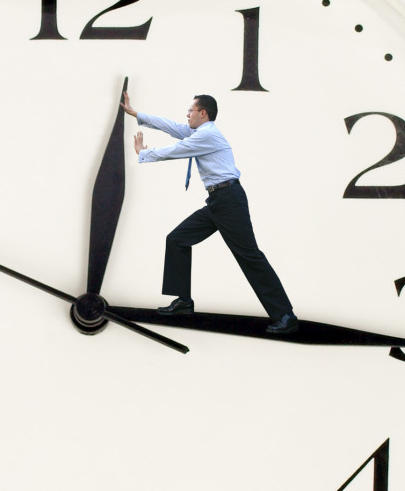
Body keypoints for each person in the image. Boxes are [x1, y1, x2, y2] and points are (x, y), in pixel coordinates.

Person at [121, 92, 298, 334]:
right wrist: (137, 114)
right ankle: (184, 301)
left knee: (250, 256)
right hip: (218, 201)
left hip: (229, 201)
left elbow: (176, 150)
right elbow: (173, 127)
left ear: (202, 113)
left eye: (190, 111)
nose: (187, 115)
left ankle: (285, 315)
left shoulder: (207, 135)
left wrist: (143, 153)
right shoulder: (200, 133)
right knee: (177, 239)